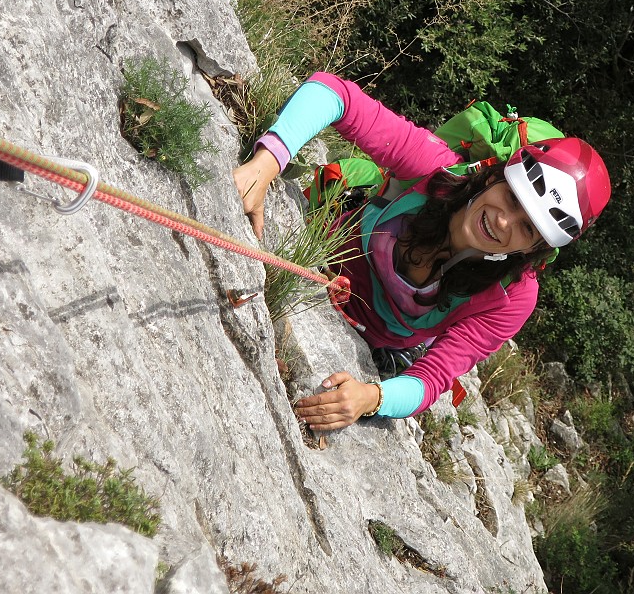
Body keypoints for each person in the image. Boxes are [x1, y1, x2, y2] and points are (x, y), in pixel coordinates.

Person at [233, 72, 611, 432]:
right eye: (511, 197)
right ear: (495, 176)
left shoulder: (511, 297)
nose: (502, 222)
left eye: (527, 227)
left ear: (535, 249)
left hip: (376, 342)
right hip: (320, 257)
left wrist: (371, 397)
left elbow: (433, 378)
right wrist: (266, 163)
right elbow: (334, 94)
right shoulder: (435, 170)